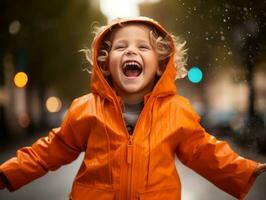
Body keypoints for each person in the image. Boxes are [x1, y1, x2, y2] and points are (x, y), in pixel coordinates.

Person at [0, 16, 265, 200]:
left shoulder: (176, 111)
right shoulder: (86, 109)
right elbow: (48, 151)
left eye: (142, 47)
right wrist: (7, 173)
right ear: (105, 63)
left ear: (161, 64)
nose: (130, 51)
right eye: (120, 47)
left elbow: (204, 152)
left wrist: (244, 169)